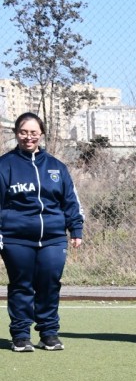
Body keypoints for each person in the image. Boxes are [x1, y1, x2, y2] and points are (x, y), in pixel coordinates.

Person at [0, 112, 84, 352]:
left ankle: (48, 333)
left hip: (53, 238)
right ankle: (20, 335)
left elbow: (70, 201)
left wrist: (76, 228)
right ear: (16, 134)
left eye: (33, 133)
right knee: (22, 285)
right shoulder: (4, 165)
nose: (29, 137)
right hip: (16, 238)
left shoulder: (57, 167)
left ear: (42, 134)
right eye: (23, 132)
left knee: (50, 283)